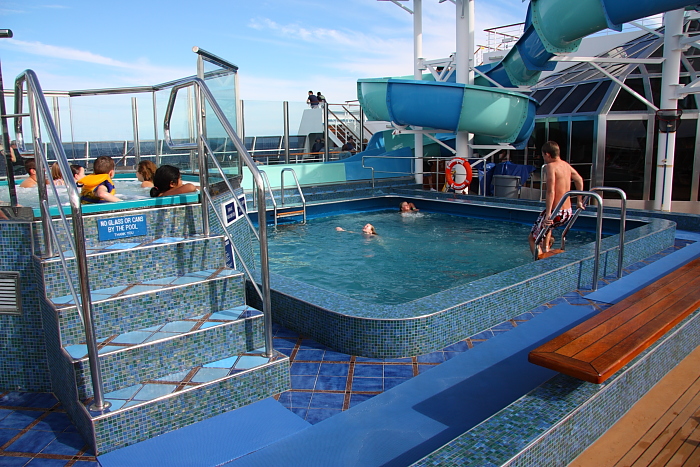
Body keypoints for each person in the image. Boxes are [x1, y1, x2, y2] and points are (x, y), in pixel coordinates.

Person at [529, 141, 584, 255]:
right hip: (567, 212)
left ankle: (540, 262)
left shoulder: (551, 166)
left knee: (532, 238)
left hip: (556, 212)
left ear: (548, 154)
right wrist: (579, 200)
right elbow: (579, 179)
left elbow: (551, 191)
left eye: (543, 155)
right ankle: (546, 249)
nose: (543, 158)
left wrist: (548, 214)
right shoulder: (566, 165)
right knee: (548, 229)